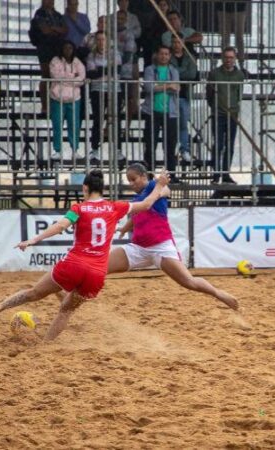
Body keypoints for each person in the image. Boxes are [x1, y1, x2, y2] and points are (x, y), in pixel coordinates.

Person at [0, 170, 172, 340]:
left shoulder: (78, 208)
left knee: (33, 292)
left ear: (85, 188)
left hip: (74, 264)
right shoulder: (115, 207)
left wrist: (33, 240)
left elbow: (60, 226)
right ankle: (46, 345)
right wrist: (160, 185)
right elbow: (147, 204)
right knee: (66, 310)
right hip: (96, 273)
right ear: (102, 189)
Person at [108, 163, 239, 310]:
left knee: (189, 282)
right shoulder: (140, 196)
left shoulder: (153, 186)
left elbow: (166, 189)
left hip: (161, 248)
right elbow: (138, 214)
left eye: (134, 179)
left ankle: (219, 294)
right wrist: (125, 228)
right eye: (129, 180)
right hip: (138, 248)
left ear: (144, 176)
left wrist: (161, 187)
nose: (131, 184)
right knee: (101, 267)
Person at [142, 45, 181, 182]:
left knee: (170, 145)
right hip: (152, 111)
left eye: (166, 54)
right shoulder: (149, 69)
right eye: (162, 53)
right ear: (157, 55)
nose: (164, 56)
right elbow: (148, 87)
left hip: (170, 112)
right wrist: (167, 86)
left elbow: (176, 88)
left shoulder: (173, 71)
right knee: (150, 144)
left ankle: (171, 175)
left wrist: (159, 86)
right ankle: (149, 175)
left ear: (170, 56)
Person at [206, 46, 244, 184]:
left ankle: (226, 173)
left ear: (235, 59)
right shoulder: (214, 74)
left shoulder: (239, 75)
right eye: (226, 57)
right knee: (218, 144)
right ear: (222, 58)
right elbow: (209, 94)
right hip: (218, 113)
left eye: (231, 57)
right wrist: (215, 106)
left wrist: (234, 107)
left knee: (230, 145)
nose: (229, 60)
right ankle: (216, 173)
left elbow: (239, 94)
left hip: (232, 114)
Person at [85, 30, 123, 163]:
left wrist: (100, 71)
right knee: (98, 120)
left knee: (116, 120)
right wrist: (106, 70)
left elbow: (117, 70)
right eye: (99, 39)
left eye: (104, 39)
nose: (101, 42)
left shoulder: (115, 54)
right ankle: (94, 150)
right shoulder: (91, 55)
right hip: (97, 90)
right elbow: (91, 73)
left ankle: (118, 151)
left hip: (114, 90)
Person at [49, 40, 86, 163]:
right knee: (57, 125)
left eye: (70, 48)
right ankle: (57, 151)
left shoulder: (77, 62)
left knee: (74, 125)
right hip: (57, 99)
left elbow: (81, 79)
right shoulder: (55, 61)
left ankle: (75, 150)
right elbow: (56, 77)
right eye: (65, 48)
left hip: (74, 99)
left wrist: (67, 79)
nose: (68, 51)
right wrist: (73, 78)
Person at [29, 0, 68, 114]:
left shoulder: (58, 15)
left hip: (57, 48)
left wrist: (53, 29)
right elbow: (44, 30)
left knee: (57, 75)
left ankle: (56, 104)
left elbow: (65, 30)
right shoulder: (39, 14)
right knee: (46, 75)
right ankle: (45, 106)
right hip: (45, 48)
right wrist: (57, 29)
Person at [170, 36, 197, 165]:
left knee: (183, 125)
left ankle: (184, 150)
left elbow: (192, 75)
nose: (176, 45)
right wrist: (180, 74)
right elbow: (169, 75)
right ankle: (172, 150)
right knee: (170, 125)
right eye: (174, 42)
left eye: (179, 42)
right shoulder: (168, 56)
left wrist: (177, 74)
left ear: (183, 43)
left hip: (184, 95)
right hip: (170, 96)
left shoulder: (190, 57)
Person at [217, 0, 249, 67]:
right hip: (224, 7)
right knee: (226, 37)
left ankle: (241, 63)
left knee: (239, 37)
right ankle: (226, 62)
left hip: (238, 8)